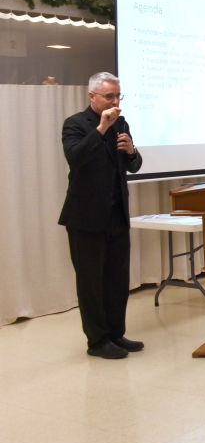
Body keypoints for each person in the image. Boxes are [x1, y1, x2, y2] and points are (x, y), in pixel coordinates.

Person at [59, 72, 143, 360]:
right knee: (91, 282)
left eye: (118, 96)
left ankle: (116, 333)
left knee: (117, 279)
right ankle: (97, 342)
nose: (115, 102)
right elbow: (75, 158)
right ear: (92, 96)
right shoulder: (76, 124)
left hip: (117, 214)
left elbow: (134, 165)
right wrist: (100, 128)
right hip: (85, 218)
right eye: (109, 96)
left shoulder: (122, 123)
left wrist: (132, 152)